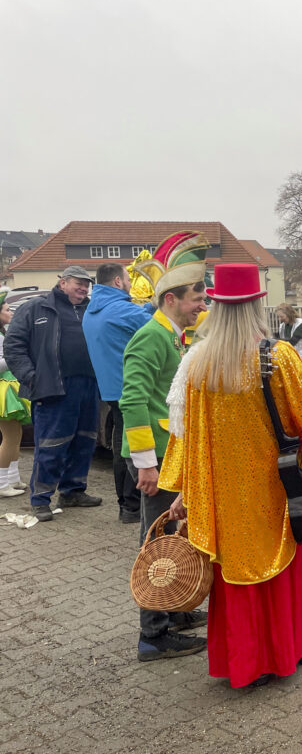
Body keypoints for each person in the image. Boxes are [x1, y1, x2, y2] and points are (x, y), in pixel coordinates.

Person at [159, 262, 302, 689]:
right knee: (283, 569)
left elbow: (187, 435)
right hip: (276, 490)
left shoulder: (198, 363)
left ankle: (245, 663)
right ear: (258, 303)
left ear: (216, 306)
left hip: (222, 495)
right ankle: (292, 648)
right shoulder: (278, 356)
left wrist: (185, 489)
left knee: (233, 574)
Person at [123, 231, 211, 662]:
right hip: (154, 458)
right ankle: (153, 634)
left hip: (168, 454)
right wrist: (144, 465)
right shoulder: (150, 337)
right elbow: (132, 400)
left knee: (174, 534)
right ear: (171, 299)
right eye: (196, 296)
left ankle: (173, 614)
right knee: (156, 541)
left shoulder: (174, 334)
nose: (202, 304)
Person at [4, 265, 102, 521]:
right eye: (78, 283)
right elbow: (13, 345)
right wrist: (31, 378)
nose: (83, 288)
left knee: (85, 441)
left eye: (86, 284)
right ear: (63, 283)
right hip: (53, 388)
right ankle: (40, 499)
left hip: (89, 385)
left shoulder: (91, 308)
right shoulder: (36, 308)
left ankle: (72, 491)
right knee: (51, 445)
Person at [83, 262, 153, 523]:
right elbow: (160, 326)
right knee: (132, 449)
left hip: (110, 388)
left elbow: (129, 317)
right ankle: (132, 507)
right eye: (128, 279)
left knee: (119, 447)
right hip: (131, 389)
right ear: (116, 282)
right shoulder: (121, 309)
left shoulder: (94, 309)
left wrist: (147, 306)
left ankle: (126, 505)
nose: (131, 284)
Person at [0, 289, 31, 498]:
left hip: (11, 386)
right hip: (4, 388)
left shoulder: (4, 333)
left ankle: (12, 478)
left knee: (16, 435)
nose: (10, 312)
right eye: (7, 309)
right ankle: (2, 484)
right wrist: (15, 357)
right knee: (9, 437)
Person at [275, 303, 302, 376]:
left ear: (289, 314)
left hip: (301, 357)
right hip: (290, 356)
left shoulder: (301, 324)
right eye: (279, 317)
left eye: (282, 316)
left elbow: (292, 342)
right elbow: (277, 336)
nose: (280, 319)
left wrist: (276, 340)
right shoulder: (283, 325)